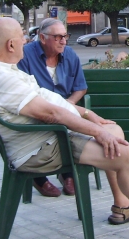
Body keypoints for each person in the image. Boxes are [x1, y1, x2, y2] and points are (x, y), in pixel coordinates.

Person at [0, 17, 129, 239]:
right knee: (126, 152)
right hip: (41, 148)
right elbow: (50, 113)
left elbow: (49, 99)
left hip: (44, 138)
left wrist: (89, 115)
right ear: (10, 45)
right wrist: (95, 130)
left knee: (113, 132)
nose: (26, 40)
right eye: (22, 37)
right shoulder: (1, 78)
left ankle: (124, 207)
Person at [17, 18, 86, 199]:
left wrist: (68, 104)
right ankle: (38, 177)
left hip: (65, 108)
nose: (64, 41)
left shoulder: (70, 54)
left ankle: (67, 173)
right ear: (42, 37)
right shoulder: (25, 55)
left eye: (65, 36)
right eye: (58, 37)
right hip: (38, 109)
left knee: (69, 124)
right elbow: (22, 92)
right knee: (42, 122)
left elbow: (80, 87)